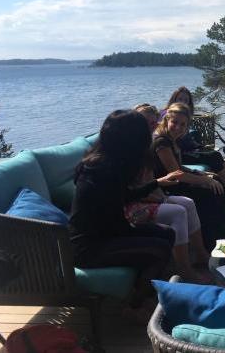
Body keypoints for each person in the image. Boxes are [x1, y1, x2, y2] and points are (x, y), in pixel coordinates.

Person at [69, 110, 182, 319]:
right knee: (158, 248)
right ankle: (134, 306)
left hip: (108, 233)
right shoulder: (102, 170)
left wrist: (156, 183)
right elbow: (108, 218)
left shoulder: (109, 163)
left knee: (167, 233)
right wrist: (134, 230)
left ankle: (146, 293)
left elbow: (122, 197)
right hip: (89, 246)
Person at [125, 104, 211, 284]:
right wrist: (157, 195)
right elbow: (129, 190)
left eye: (152, 122)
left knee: (187, 202)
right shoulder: (131, 148)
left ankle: (201, 254)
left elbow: (149, 181)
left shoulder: (145, 144)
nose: (149, 126)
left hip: (150, 195)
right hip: (130, 206)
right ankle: (185, 270)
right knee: (178, 211)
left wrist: (159, 195)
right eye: (144, 121)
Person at [152, 103, 225, 250]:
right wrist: (204, 181)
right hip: (167, 187)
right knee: (207, 192)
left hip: (176, 182)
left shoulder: (172, 140)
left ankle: (222, 229)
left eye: (183, 124)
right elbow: (176, 174)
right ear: (166, 120)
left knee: (216, 179)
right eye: (174, 122)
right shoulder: (162, 142)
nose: (178, 127)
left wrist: (199, 173)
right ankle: (211, 241)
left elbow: (178, 167)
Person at [163, 89, 225, 196]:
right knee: (214, 157)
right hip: (181, 152)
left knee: (215, 155)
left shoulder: (184, 116)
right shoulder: (166, 114)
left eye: (186, 100)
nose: (182, 102)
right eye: (180, 99)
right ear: (174, 98)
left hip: (187, 148)